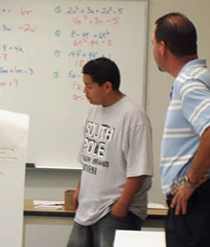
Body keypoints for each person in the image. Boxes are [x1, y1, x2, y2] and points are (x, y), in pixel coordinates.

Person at [67, 57, 154, 247]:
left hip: (114, 210)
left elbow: (139, 170)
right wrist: (80, 189)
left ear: (107, 87)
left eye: (89, 86)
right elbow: (89, 157)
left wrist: (120, 207)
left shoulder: (133, 116)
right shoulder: (94, 110)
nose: (84, 91)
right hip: (88, 207)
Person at [152, 12, 210, 247]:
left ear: (163, 48)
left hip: (193, 203)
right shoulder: (199, 78)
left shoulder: (188, 84)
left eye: (153, 44)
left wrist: (190, 181)